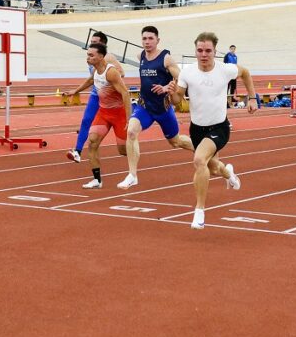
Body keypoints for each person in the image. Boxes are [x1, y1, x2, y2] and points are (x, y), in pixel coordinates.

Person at [170, 31, 254, 229]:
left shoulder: (225, 69)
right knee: (213, 168)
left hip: (219, 127)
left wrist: (252, 98)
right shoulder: (187, 72)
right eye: (200, 50)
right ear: (195, 52)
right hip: (197, 129)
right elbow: (177, 100)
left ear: (215, 51)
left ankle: (199, 211)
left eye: (208, 50)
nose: (204, 54)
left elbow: (246, 73)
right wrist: (171, 94)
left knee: (199, 160)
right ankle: (229, 174)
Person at [116, 26, 195, 189]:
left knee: (175, 141)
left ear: (158, 40)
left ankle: (201, 149)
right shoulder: (141, 56)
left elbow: (182, 78)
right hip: (144, 107)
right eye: (144, 38)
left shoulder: (166, 58)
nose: (147, 42)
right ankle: (132, 175)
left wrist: (166, 87)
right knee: (131, 132)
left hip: (163, 109)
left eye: (150, 38)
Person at [64, 31, 124, 162]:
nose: (92, 44)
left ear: (103, 44)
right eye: (91, 42)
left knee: (121, 137)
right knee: (86, 121)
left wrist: (107, 82)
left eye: (95, 42)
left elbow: (121, 73)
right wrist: (76, 91)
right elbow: (91, 79)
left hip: (109, 98)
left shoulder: (109, 58)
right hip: (95, 95)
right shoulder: (92, 58)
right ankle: (77, 151)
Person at [81, 43, 130, 189]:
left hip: (119, 114)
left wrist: (129, 118)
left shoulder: (111, 72)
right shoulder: (96, 70)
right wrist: (75, 91)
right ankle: (97, 180)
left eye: (91, 55)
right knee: (92, 142)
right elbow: (90, 81)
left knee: (123, 151)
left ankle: (134, 154)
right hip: (103, 113)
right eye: (87, 55)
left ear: (101, 57)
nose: (87, 58)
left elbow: (125, 93)